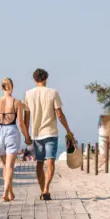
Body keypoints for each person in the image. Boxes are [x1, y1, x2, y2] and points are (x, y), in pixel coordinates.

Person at [23, 68, 74, 201]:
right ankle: (46, 189)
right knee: (50, 161)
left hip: (36, 134)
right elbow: (59, 114)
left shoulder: (28, 94)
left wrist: (26, 135)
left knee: (40, 163)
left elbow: (26, 118)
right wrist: (68, 130)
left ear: (35, 80)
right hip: (50, 132)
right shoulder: (53, 93)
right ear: (46, 79)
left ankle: (43, 191)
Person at [0, 77, 31, 202]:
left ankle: (10, 192)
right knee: (10, 166)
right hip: (12, 131)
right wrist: (27, 137)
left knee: (5, 166)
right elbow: (21, 123)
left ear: (1, 88)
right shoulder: (16, 102)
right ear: (12, 87)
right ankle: (5, 191)